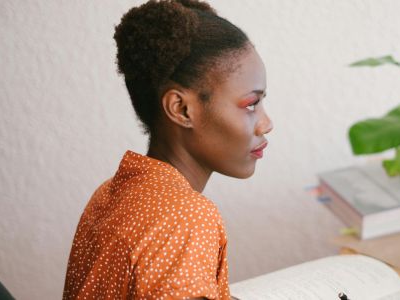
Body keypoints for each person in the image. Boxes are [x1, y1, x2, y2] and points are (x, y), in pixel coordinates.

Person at [63, 0, 272, 299]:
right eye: (251, 104)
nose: (266, 123)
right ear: (182, 109)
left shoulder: (109, 194)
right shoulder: (186, 218)